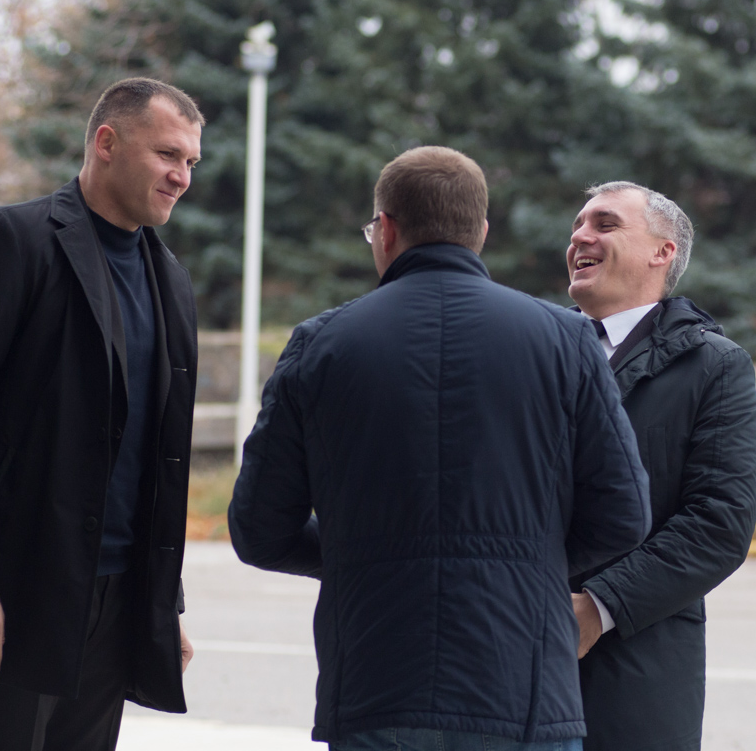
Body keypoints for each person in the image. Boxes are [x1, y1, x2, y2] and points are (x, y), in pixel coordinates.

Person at [229, 145, 651, 751]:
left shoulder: (320, 345)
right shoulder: (567, 340)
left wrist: (363, 549)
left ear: (387, 230)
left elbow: (259, 529)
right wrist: (523, 557)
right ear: (480, 232)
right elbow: (623, 515)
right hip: (522, 689)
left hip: (376, 684)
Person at [0, 78, 205, 751]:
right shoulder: (9, 240)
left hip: (117, 601)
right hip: (14, 592)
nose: (183, 176)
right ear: (107, 143)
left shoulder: (169, 278)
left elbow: (154, 456)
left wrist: (161, 604)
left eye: (192, 161)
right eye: (168, 154)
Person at [566, 181, 756, 751]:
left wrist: (597, 607)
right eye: (577, 226)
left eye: (605, 224)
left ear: (662, 251)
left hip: (635, 676)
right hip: (509, 663)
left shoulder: (713, 367)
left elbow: (718, 525)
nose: (580, 237)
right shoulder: (529, 352)